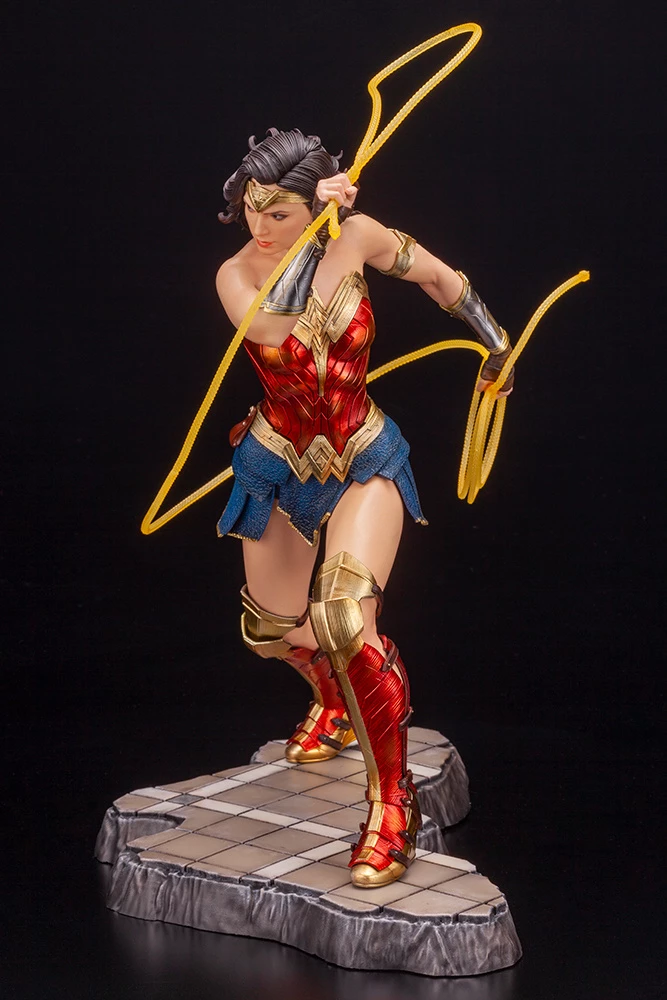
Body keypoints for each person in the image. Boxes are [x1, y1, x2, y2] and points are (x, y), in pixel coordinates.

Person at [215, 128, 513, 888]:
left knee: (346, 620)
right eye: (253, 209)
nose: (260, 227)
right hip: (277, 459)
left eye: (279, 213)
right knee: (272, 629)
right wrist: (312, 234)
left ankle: (390, 804)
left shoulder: (358, 237)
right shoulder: (236, 274)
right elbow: (278, 330)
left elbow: (437, 276)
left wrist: (494, 342)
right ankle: (336, 700)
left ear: (312, 205)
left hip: (361, 454)